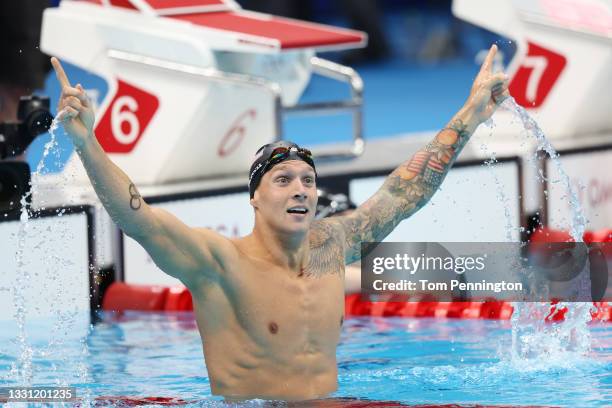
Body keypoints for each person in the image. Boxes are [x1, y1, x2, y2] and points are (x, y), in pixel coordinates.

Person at [50, 44, 509, 401]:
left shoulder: (333, 245)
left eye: (308, 180)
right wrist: (88, 142)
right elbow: (139, 219)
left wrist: (470, 113)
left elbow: (404, 192)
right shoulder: (220, 263)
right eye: (283, 179)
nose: (301, 189)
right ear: (254, 197)